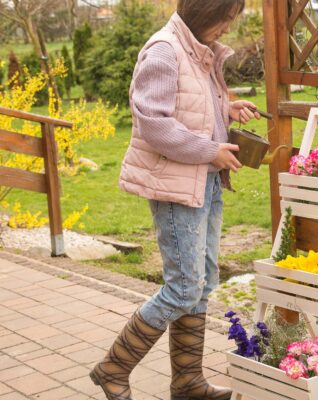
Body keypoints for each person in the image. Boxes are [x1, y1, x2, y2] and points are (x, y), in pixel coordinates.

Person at [89, 1, 260, 399]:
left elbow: (188, 108)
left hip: (205, 182)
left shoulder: (195, 51)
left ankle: (188, 382)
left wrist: (226, 109)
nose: (228, 27)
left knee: (201, 286)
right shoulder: (165, 50)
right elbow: (155, 124)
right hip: (176, 186)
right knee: (183, 287)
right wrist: (210, 150)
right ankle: (114, 367)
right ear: (204, 10)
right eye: (226, 17)